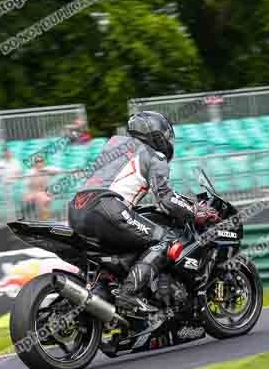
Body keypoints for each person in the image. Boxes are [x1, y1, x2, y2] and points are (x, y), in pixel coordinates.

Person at [67, 111, 220, 314]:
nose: (167, 140)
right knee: (164, 240)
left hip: (77, 207)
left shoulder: (115, 145)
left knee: (118, 252)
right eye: (165, 135)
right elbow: (166, 198)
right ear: (155, 134)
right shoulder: (154, 156)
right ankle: (129, 293)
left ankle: (105, 289)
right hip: (107, 207)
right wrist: (195, 211)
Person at [23, 156, 63, 220]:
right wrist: (26, 194)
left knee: (45, 198)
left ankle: (45, 219)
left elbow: (59, 170)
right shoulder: (30, 171)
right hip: (32, 192)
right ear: (34, 163)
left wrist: (47, 171)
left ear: (43, 162)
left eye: (41, 161)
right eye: (37, 161)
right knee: (41, 198)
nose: (39, 163)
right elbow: (25, 185)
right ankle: (44, 219)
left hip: (43, 192)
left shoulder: (47, 169)